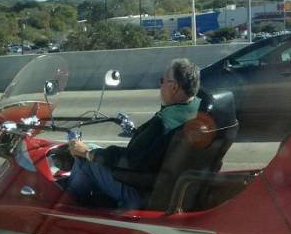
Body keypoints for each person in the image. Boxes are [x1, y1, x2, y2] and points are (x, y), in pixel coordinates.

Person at [67, 58, 201, 209]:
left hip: (140, 192)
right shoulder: (197, 108)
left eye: (162, 81)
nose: (161, 85)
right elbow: (149, 150)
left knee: (85, 160)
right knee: (93, 150)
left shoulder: (164, 121)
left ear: (174, 87)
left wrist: (88, 153)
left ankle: (66, 210)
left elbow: (130, 161)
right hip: (167, 187)